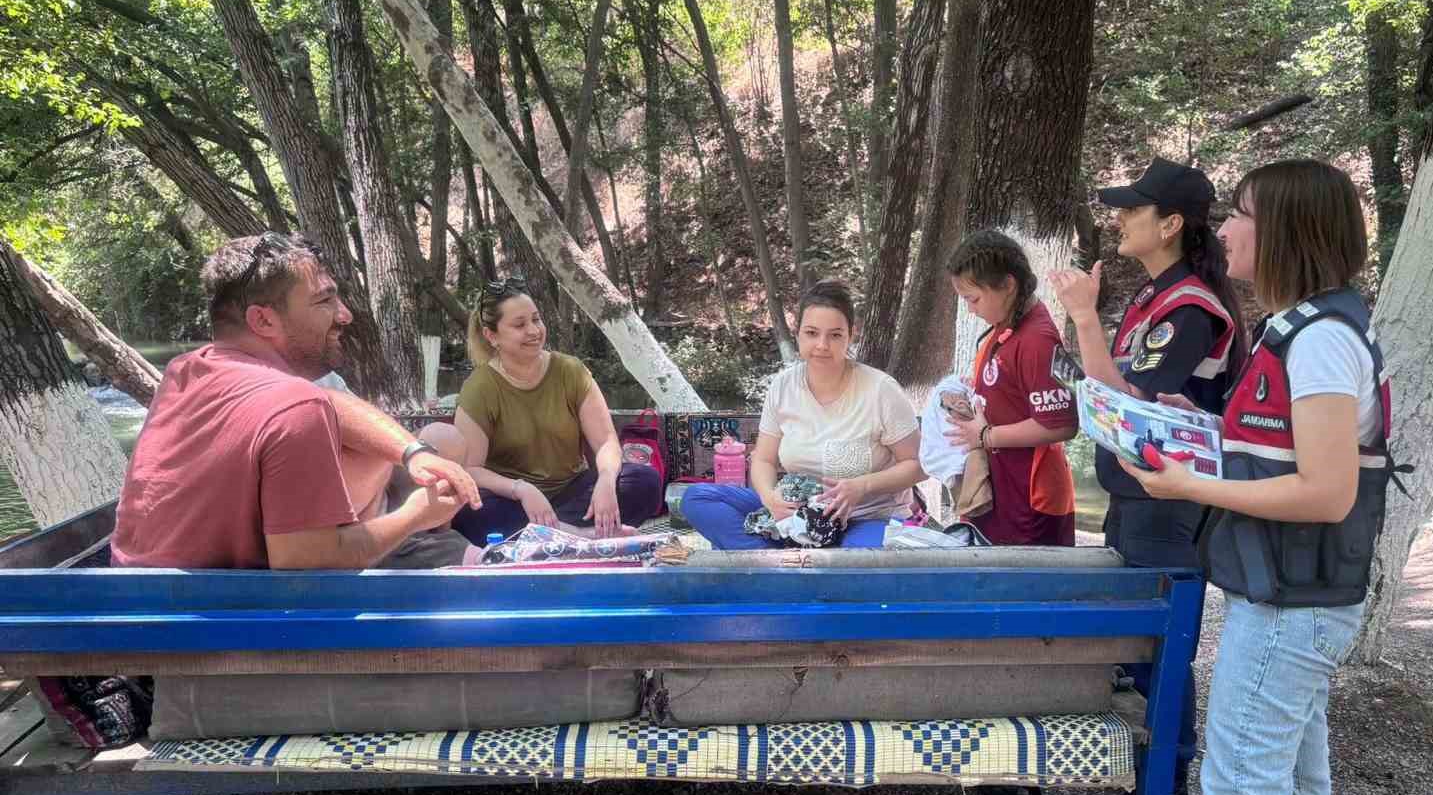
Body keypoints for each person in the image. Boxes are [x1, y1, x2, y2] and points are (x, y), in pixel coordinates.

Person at [1120, 160, 1404, 795]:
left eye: (1240, 217)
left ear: (1281, 230)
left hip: (1290, 599)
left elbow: (1322, 491)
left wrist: (1190, 488)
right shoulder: (1306, 329)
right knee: (1297, 773)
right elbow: (1279, 451)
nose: (1227, 232)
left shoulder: (1317, 339)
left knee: (1239, 793)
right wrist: (1192, 436)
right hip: (1302, 591)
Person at [1047, 158, 1248, 795]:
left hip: (1168, 503)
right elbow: (1113, 393)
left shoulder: (1190, 306)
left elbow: (1131, 409)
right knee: (1142, 653)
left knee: (1162, 654)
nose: (1120, 217)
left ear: (1170, 225)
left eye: (1134, 209)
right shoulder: (1153, 298)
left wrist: (1081, 319)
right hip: (1139, 497)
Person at [112, 232, 482, 571]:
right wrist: (415, 516)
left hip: (130, 600)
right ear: (263, 321)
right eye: (324, 300)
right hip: (224, 627)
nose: (345, 315)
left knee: (376, 448)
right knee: (374, 466)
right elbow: (306, 568)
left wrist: (413, 452)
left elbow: (332, 403)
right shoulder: (295, 408)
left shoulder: (188, 369)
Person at [682, 281, 924, 549]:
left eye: (835, 335)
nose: (821, 345)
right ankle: (773, 565)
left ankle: (784, 569)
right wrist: (769, 498)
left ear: (851, 335)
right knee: (697, 499)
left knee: (860, 562)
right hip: (796, 512)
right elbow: (763, 459)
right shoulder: (783, 386)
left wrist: (862, 487)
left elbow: (918, 465)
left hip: (866, 517)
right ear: (797, 334)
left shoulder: (881, 389)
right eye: (811, 333)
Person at [441, 278, 662, 546]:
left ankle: (547, 535)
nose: (534, 330)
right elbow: (471, 470)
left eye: (537, 319)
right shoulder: (479, 388)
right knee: (471, 514)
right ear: (492, 335)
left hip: (573, 492)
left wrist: (605, 480)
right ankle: (580, 536)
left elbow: (605, 441)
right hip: (513, 502)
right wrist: (520, 489)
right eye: (520, 325)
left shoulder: (571, 371)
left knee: (644, 481)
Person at [944, 229, 1078, 547]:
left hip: (1030, 499)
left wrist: (986, 436)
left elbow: (1061, 424)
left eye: (973, 298)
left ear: (1007, 285)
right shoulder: (1007, 326)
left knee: (1024, 589)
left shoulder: (1037, 340)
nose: (970, 309)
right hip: (1001, 489)